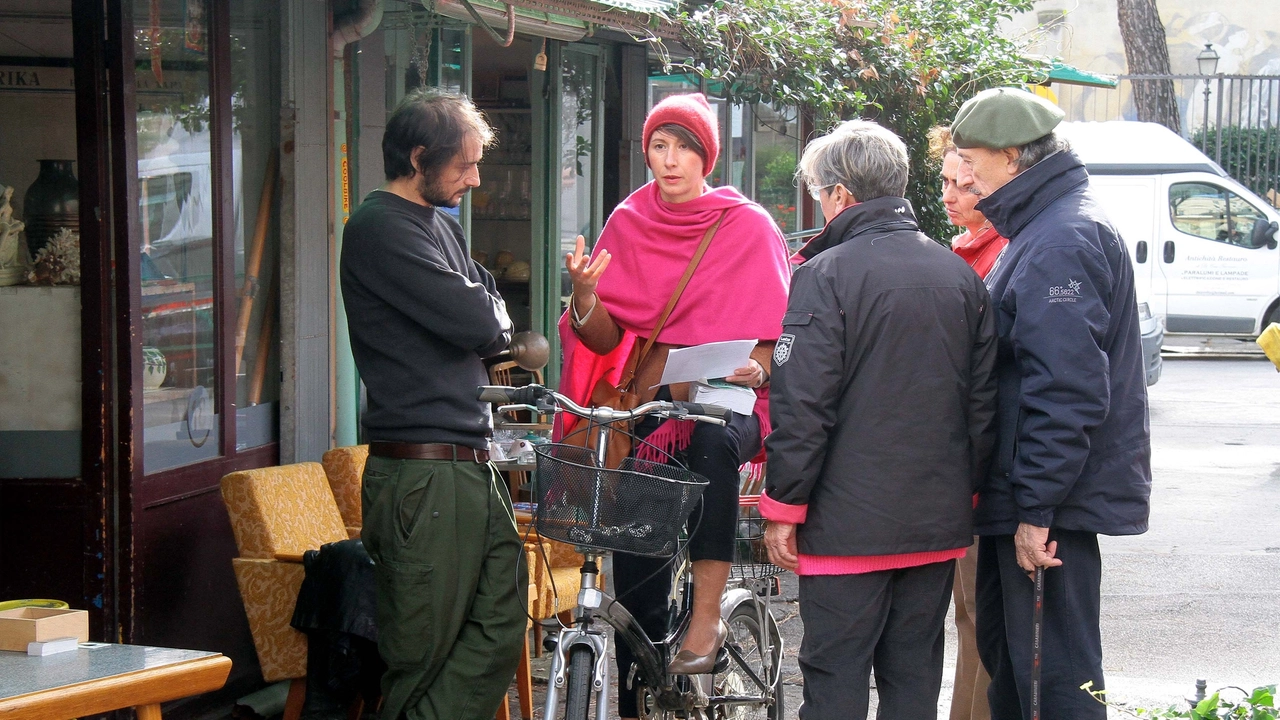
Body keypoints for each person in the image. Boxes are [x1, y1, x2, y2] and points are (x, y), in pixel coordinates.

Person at [559, 92, 791, 718]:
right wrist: (584, 297)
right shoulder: (629, 221)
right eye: (659, 146)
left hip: (733, 404)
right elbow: (607, 338)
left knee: (714, 444)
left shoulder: (748, 225)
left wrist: (756, 367)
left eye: (684, 147)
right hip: (654, 404)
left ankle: (708, 617)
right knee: (639, 503)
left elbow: (776, 340)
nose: (671, 160)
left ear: (706, 154)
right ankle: (641, 667)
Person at [761, 119, 998, 720]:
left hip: (846, 527)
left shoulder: (824, 274)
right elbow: (982, 407)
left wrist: (784, 508)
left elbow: (802, 406)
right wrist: (963, 494)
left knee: (835, 678)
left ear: (840, 194)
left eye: (819, 192)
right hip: (934, 523)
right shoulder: (959, 276)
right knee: (913, 679)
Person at [950, 87, 1152, 720]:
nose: (968, 174)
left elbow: (1065, 389)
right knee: (1020, 675)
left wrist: (1036, 508)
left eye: (972, 158)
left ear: (1012, 157)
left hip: (1044, 506)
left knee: (1050, 685)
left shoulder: (1061, 236)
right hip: (1031, 497)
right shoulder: (1050, 224)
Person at [340, 88, 527, 720]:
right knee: (420, 655)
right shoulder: (378, 228)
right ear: (419, 157)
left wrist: (488, 308)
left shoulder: (435, 226)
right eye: (464, 165)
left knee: (501, 622)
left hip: (469, 462)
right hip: (422, 470)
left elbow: (490, 308)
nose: (475, 179)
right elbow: (484, 322)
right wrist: (487, 310)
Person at [929, 124, 1009, 720]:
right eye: (947, 182)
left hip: (982, 460)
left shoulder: (998, 252)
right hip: (964, 460)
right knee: (969, 614)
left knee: (980, 615)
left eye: (965, 184)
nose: (953, 196)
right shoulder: (965, 251)